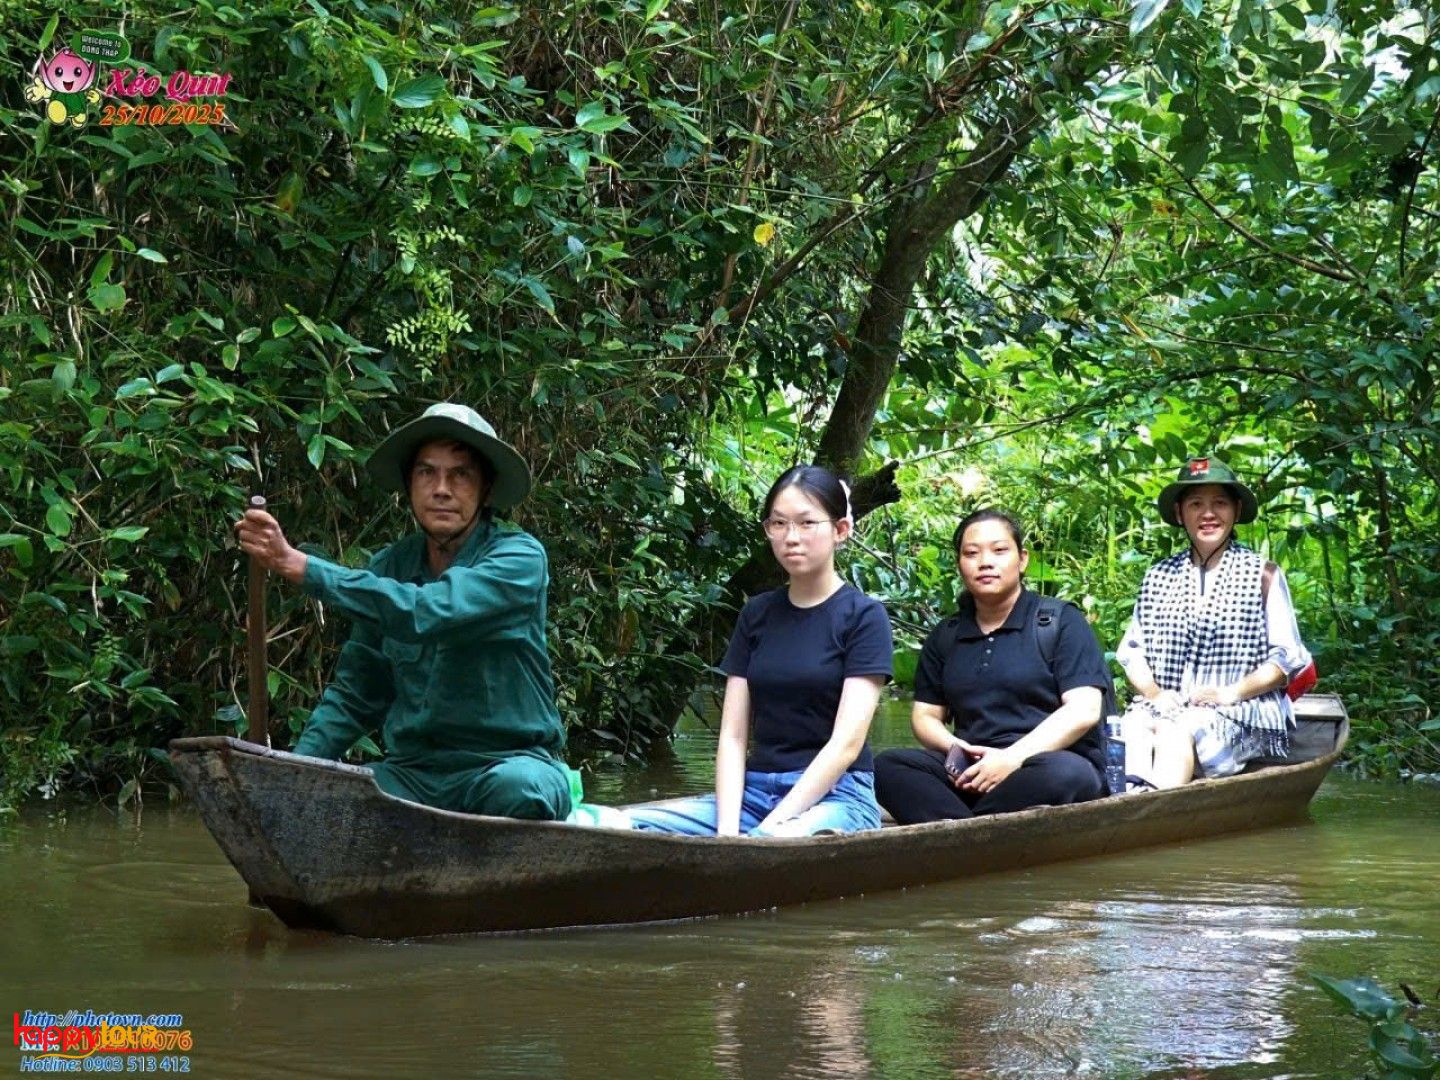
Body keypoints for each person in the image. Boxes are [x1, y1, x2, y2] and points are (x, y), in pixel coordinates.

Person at [233, 402, 571, 820]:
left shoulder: (519, 557)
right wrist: (297, 774)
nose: (441, 489)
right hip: (414, 775)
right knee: (333, 800)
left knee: (517, 790)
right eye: (427, 472)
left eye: (460, 475)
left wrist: (301, 566)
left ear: (485, 490)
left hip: (508, 762)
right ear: (410, 486)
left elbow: (429, 610)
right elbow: (357, 693)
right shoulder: (391, 566)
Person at [629, 465, 892, 837]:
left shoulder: (864, 616)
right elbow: (733, 738)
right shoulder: (757, 612)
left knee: (773, 841)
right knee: (626, 823)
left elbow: (846, 745)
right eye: (779, 524)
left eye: (806, 523)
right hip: (754, 793)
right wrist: (726, 831)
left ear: (840, 530)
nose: (791, 537)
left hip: (838, 797)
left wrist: (768, 831)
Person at [874, 509, 1110, 823]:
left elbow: (1084, 710)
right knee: (888, 767)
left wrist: (1011, 759)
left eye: (999, 551)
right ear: (960, 564)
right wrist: (956, 748)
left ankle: (958, 828)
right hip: (971, 772)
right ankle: (972, 828)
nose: (985, 562)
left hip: (1041, 765)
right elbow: (926, 715)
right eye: (972, 553)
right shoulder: (946, 636)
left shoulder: (1059, 622)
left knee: (1069, 775)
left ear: (1022, 559)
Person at [1116, 455, 1312, 788]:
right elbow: (1133, 652)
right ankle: (1133, 806)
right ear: (1180, 514)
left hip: (1241, 710)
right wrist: (1155, 694)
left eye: (1219, 503)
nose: (1208, 514)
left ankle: (1151, 819)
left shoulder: (1263, 574)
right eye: (1195, 504)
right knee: (1129, 730)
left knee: (1175, 732)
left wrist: (1230, 693)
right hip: (1166, 706)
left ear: (1236, 510)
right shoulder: (1158, 575)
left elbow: (1285, 659)